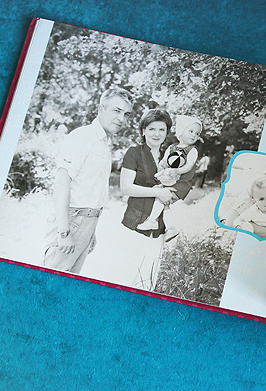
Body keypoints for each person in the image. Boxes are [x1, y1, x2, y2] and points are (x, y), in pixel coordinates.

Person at [43, 86, 134, 274]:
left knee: (68, 282)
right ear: (101, 108)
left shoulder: (103, 142)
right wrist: (64, 232)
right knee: (50, 280)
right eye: (116, 111)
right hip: (71, 220)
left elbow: (91, 187)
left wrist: (90, 230)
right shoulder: (82, 136)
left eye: (126, 114)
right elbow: (62, 183)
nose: (121, 119)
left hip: (87, 222)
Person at [117, 109, 178, 289]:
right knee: (127, 277)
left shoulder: (169, 157)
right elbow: (125, 188)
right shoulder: (134, 153)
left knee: (148, 280)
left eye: (161, 129)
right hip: (135, 222)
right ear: (143, 130)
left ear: (167, 132)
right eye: (151, 129)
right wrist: (157, 193)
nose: (156, 134)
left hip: (158, 227)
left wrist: (171, 194)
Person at [137, 115, 202, 237]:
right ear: (181, 131)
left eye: (197, 133)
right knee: (163, 200)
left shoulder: (192, 150)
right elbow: (164, 162)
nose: (194, 135)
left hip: (182, 182)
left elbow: (189, 165)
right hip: (170, 180)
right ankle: (170, 228)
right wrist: (161, 169)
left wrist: (177, 171)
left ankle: (152, 221)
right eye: (191, 131)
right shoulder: (171, 148)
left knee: (163, 197)